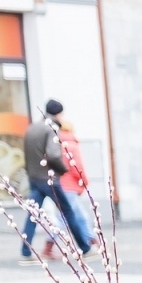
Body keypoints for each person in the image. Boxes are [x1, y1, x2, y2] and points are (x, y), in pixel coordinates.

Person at [19, 99, 92, 265]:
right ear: (58, 114)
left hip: (34, 179)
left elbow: (27, 156)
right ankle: (85, 248)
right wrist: (63, 170)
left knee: (33, 215)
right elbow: (53, 155)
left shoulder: (31, 128)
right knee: (68, 212)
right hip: (50, 179)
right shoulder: (51, 128)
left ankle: (25, 252)